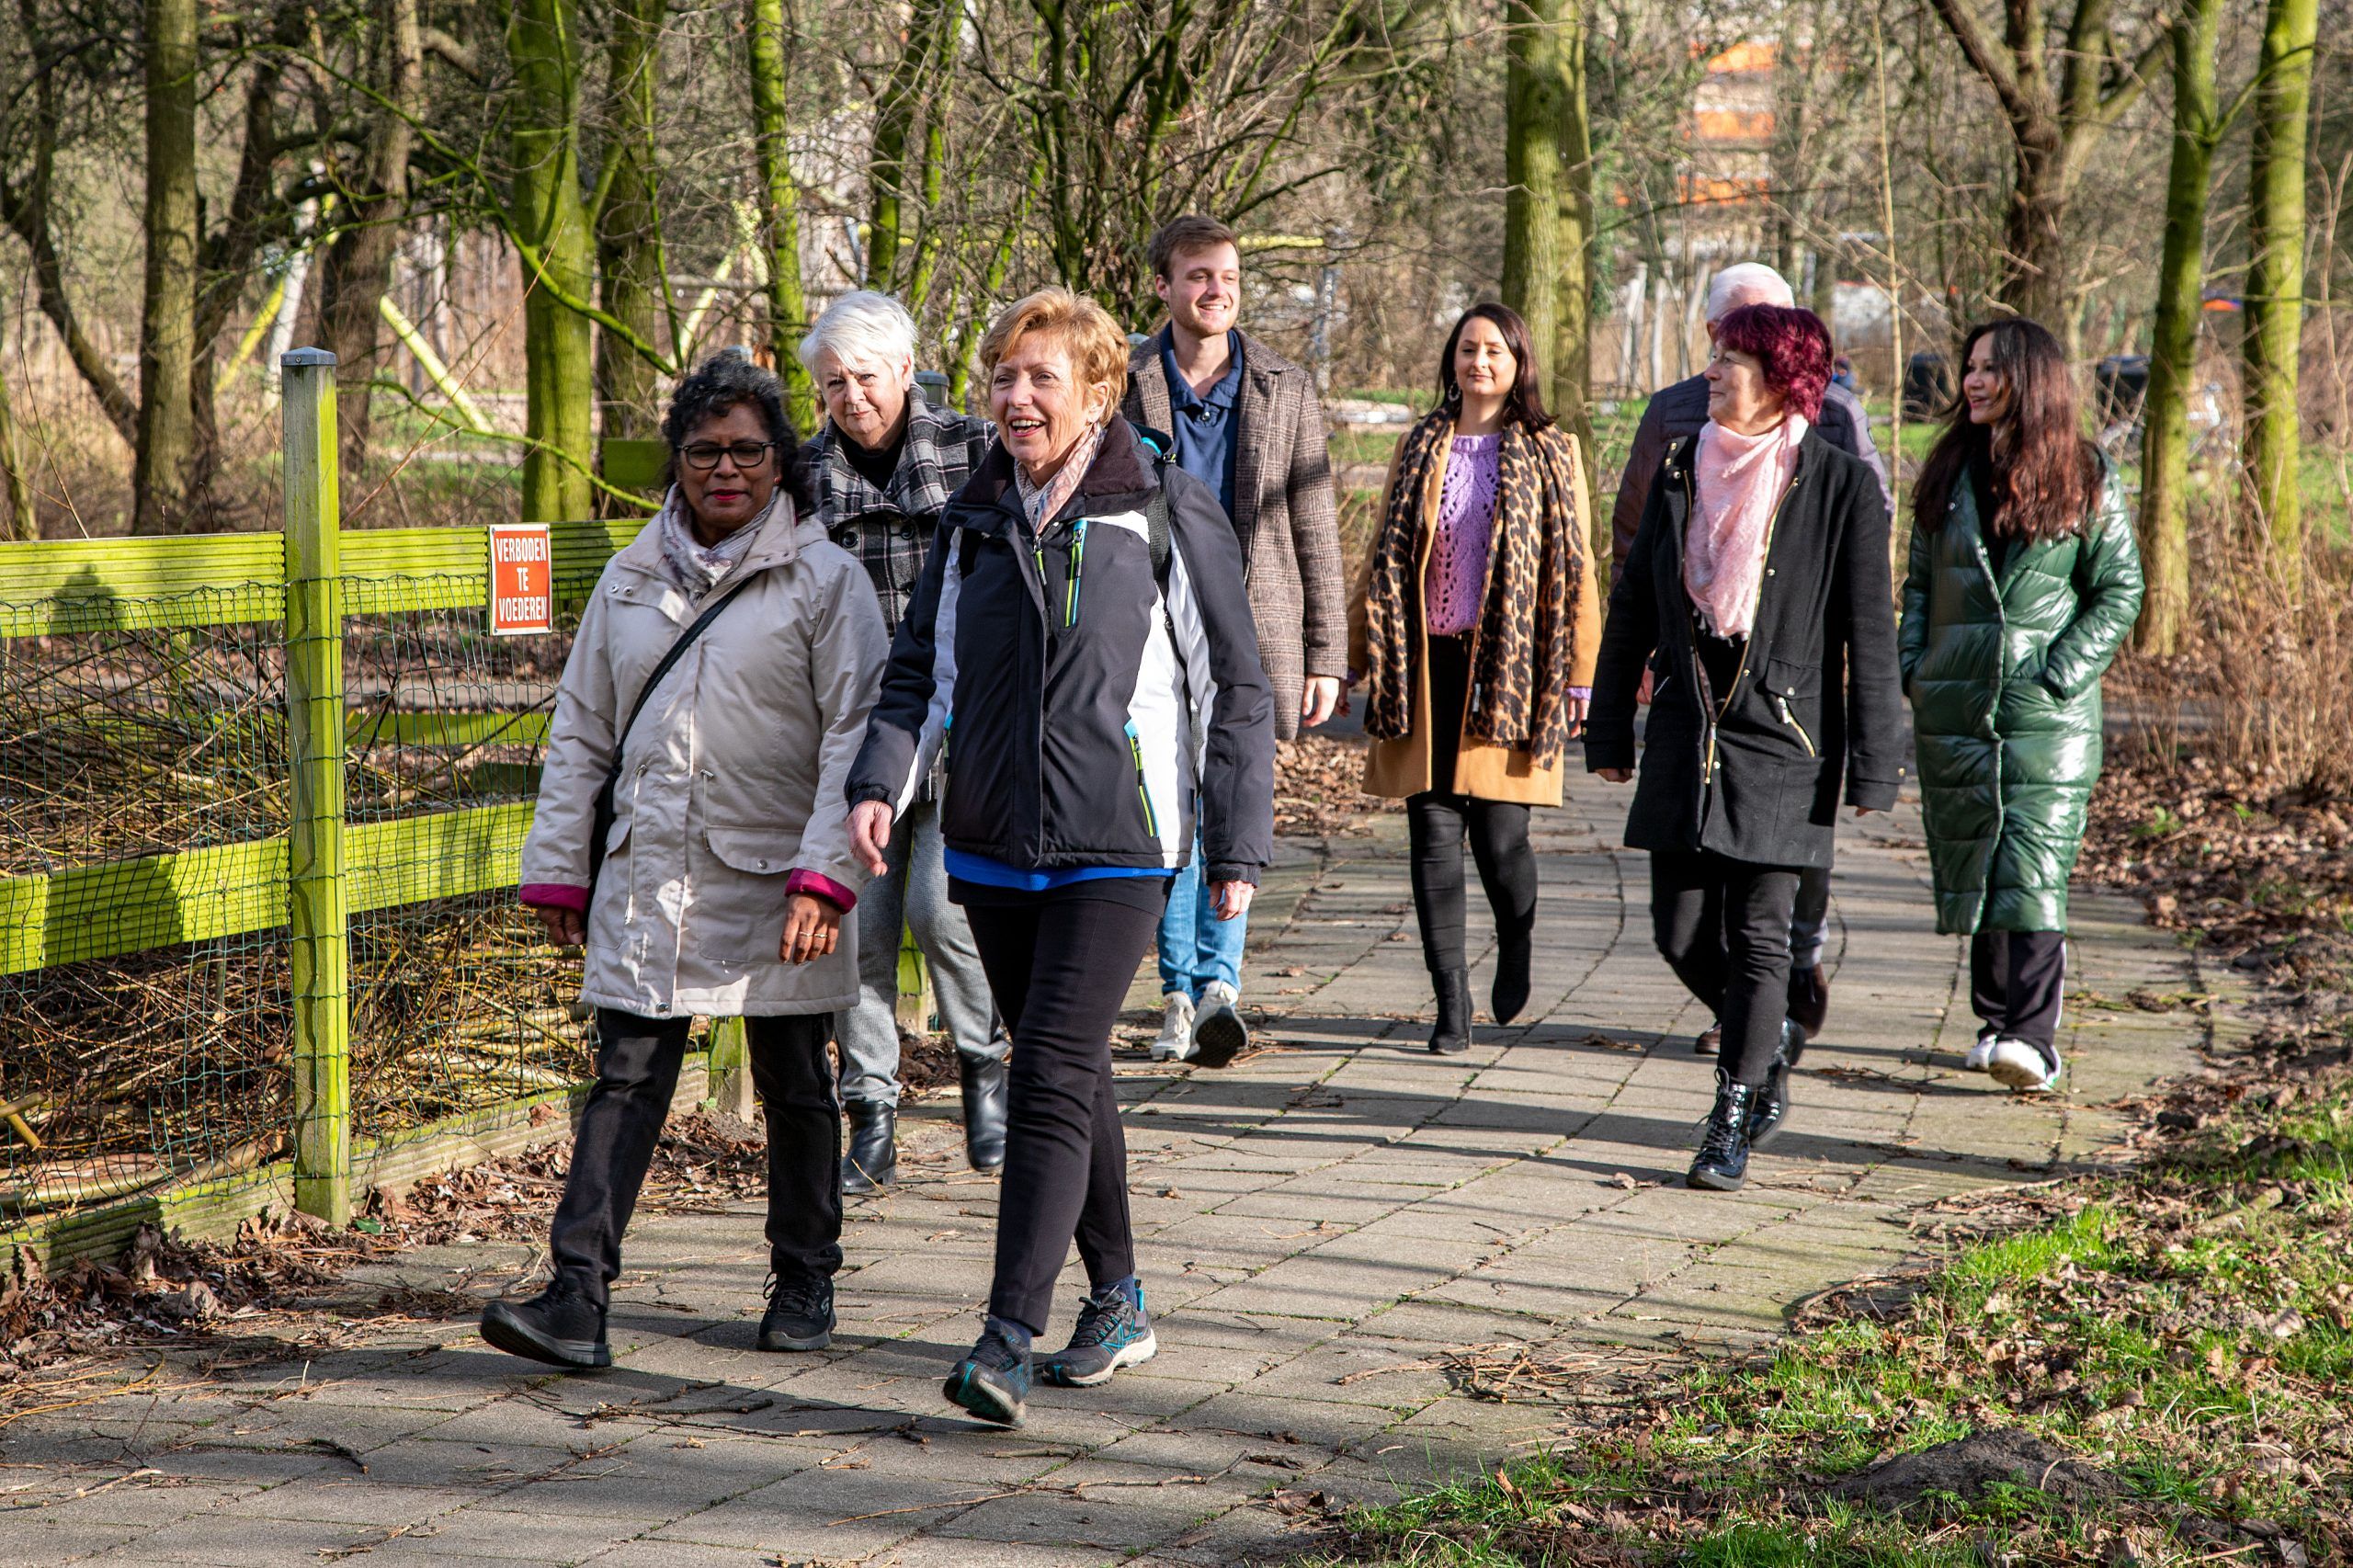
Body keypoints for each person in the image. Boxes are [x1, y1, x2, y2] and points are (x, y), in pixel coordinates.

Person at [847, 288, 1274, 1426]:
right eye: (1003, 377)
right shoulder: (972, 520)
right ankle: (1120, 1296)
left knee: (1042, 1072)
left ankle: (1004, 1334)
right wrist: (882, 782)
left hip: (1120, 842)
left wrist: (1234, 839)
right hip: (991, 842)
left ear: (1096, 392)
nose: (1016, 396)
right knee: (1070, 1071)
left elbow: (1235, 685)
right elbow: (917, 674)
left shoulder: (1165, 511)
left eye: (1042, 378)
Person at [483, 352, 885, 1369]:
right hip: (649, 865)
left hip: (780, 875)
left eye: (749, 450)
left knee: (795, 1077)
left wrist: (827, 874)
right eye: (704, 450)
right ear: (677, 458)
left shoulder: (825, 579)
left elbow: (859, 733)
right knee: (623, 1074)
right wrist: (560, 861)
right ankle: (576, 1292)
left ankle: (804, 1277)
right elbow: (581, 729)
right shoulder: (626, 576)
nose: (725, 469)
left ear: (781, 460)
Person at [1586, 304, 1904, 1192]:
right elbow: (1635, 607)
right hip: (1688, 731)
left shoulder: (1840, 486)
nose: (1714, 373)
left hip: (1785, 740)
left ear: (1782, 378)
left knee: (1763, 937)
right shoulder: (1685, 463)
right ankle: (1771, 1038)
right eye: (1715, 357)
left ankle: (1732, 1110)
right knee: (1679, 932)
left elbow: (1868, 635)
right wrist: (1611, 725)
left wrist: (1877, 762)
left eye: (1732, 361)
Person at [1345, 303, 1602, 1053]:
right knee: (1430, 832)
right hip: (1425, 663)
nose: (1478, 362)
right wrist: (1357, 649)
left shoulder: (1553, 450)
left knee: (1500, 838)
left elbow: (1577, 568)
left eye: (1493, 350)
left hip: (1512, 666)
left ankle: (1517, 936)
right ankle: (1450, 1006)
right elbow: (1383, 554)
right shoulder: (1421, 444)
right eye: (1467, 349)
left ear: (1518, 362)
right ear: (1451, 360)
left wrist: (1582, 675)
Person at [798, 290, 1008, 1194]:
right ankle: (871, 1111)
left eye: (866, 377)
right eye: (833, 383)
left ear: (904, 372)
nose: (851, 397)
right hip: (850, 730)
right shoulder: (805, 476)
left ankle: (984, 1066)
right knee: (863, 931)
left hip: (955, 719)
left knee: (940, 908)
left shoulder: (971, 448)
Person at [1123, 215, 1346, 1066]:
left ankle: (1221, 986)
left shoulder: (1284, 386)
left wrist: (1327, 652)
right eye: (1198, 276)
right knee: (1166, 809)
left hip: (1253, 625)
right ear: (1165, 286)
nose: (1216, 290)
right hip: (1148, 623)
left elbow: (1315, 523)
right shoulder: (1128, 378)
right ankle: (1175, 992)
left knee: (1235, 807)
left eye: (1228, 276)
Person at [1902, 318, 2143, 1093]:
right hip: (1957, 704)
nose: (1972, 381)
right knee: (1978, 855)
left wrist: (2058, 673)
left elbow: (2119, 590)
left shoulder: (2088, 475)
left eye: (1989, 369)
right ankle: (1993, 1018)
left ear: (2032, 379)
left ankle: (2033, 1037)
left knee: (2034, 864)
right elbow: (1915, 589)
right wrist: (1918, 668)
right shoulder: (1946, 472)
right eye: (1969, 368)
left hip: (2049, 714)